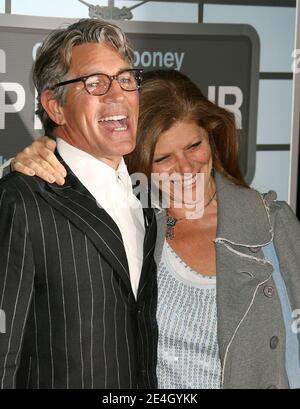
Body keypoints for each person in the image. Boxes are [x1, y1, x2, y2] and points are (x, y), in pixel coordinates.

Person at [3, 69, 300, 389]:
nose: (186, 168)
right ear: (138, 161)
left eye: (194, 145)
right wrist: (30, 163)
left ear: (211, 134)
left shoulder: (271, 223)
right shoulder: (124, 223)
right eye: (163, 158)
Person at [0, 19, 158, 389]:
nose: (117, 94)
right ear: (55, 106)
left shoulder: (151, 196)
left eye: (126, 79)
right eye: (95, 83)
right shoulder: (21, 199)